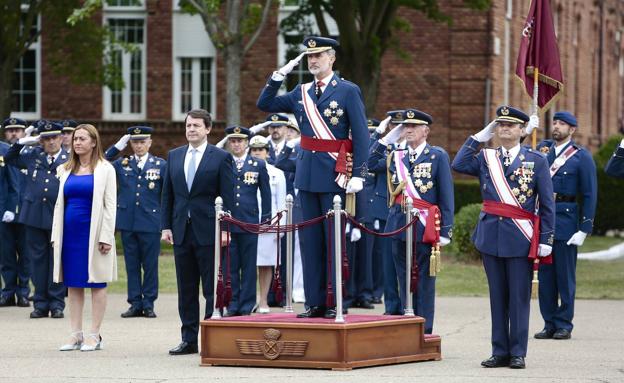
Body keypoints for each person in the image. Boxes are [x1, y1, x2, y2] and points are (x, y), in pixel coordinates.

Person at [257, 36, 369, 319]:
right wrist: (276, 77)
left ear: (332, 58)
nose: (313, 61)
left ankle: (334, 302)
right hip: (306, 176)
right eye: (309, 57)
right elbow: (265, 103)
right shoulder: (300, 92)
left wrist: (359, 174)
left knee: (333, 242)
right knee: (309, 243)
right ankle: (315, 302)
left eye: (318, 56)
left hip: (334, 174)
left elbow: (361, 134)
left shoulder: (347, 90)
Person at [452, 106, 555, 369]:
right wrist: (478, 136)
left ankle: (518, 352)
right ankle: (499, 351)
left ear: (523, 130)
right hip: (491, 236)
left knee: (518, 298)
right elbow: (459, 163)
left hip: (520, 238)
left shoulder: (536, 160)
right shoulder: (487, 158)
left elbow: (546, 204)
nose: (505, 128)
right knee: (497, 298)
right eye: (500, 125)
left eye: (511, 125)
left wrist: (546, 239)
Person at [369, 109, 454, 333]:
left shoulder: (437, 156)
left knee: (424, 282)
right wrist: (386, 138)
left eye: (414, 126)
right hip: (398, 224)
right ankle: (407, 328)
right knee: (403, 278)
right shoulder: (396, 155)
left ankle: (424, 329)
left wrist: (446, 230)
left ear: (425, 131)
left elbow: (446, 195)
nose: (408, 129)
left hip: (424, 225)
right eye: (405, 126)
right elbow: (369, 162)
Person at [161, 109, 235, 355]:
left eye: (196, 126)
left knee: (211, 288)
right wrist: (166, 226)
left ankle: (213, 335)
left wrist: (226, 229)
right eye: (188, 125)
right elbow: (167, 195)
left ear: (207, 129)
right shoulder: (174, 156)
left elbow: (229, 198)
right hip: (182, 231)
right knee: (186, 288)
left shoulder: (220, 157)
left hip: (210, 231)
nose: (191, 129)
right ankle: (189, 339)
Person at [527, 111, 597, 340]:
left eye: (562, 124)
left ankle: (564, 323)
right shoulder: (542, 152)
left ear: (572, 130)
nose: (556, 126)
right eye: (555, 122)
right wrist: (527, 131)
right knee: (545, 277)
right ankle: (549, 323)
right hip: (543, 221)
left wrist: (584, 228)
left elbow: (589, 194)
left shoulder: (581, 157)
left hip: (566, 221)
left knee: (564, 277)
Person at [51, 124, 117, 352]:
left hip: (94, 233)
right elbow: (60, 204)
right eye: (75, 139)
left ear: (93, 142)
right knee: (74, 284)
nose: (76, 142)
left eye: (82, 139)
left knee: (97, 282)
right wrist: (55, 235)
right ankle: (75, 334)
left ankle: (94, 334)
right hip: (69, 234)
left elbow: (110, 205)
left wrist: (106, 236)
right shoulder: (65, 169)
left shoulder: (106, 169)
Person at [5, 121, 69, 319]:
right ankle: (40, 303)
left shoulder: (69, 159)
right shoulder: (33, 156)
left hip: (59, 216)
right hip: (34, 215)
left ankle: (57, 303)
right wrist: (23, 142)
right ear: (41, 141)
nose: (50, 142)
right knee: (37, 261)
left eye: (53, 138)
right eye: (46, 138)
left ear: (60, 138)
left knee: (57, 262)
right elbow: (9, 158)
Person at [105, 126, 167, 319]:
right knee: (131, 265)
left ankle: (148, 303)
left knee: (150, 265)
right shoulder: (122, 163)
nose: (139, 145)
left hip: (150, 221)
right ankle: (135, 303)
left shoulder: (160, 165)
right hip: (128, 221)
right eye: (135, 142)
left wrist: (166, 223)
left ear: (149, 143)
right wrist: (116, 147)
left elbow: (166, 196)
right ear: (130, 144)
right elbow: (100, 162)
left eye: (142, 142)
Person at [222, 126, 271, 316]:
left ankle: (247, 304)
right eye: (233, 141)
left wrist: (266, 218)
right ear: (229, 143)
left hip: (250, 221)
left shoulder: (257, 164)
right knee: (231, 265)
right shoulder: (224, 162)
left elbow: (265, 193)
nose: (236, 144)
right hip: (230, 221)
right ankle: (232, 303)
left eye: (240, 141)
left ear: (247, 143)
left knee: (249, 266)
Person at [366, 111, 404, 314]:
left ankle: (409, 303)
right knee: (387, 261)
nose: (398, 130)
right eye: (394, 125)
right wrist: (379, 134)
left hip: (409, 210)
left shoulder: (416, 150)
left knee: (408, 262)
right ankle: (391, 305)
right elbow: (366, 161)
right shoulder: (386, 149)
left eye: (402, 125)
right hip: (385, 210)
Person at [248, 135, 287, 313]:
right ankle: (246, 300)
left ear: (267, 152)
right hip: (246, 224)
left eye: (260, 150)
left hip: (268, 226)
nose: (257, 153)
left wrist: (281, 227)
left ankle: (263, 300)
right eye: (254, 150)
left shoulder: (277, 174)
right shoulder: (240, 170)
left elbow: (281, 203)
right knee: (246, 264)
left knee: (265, 264)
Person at [0, 118, 30, 308]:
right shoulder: (2, 151)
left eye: (18, 130)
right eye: (10, 131)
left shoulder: (33, 152)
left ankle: (24, 292)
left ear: (24, 132)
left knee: (26, 254)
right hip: (3, 210)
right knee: (6, 254)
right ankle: (8, 291)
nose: (14, 134)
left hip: (27, 210)